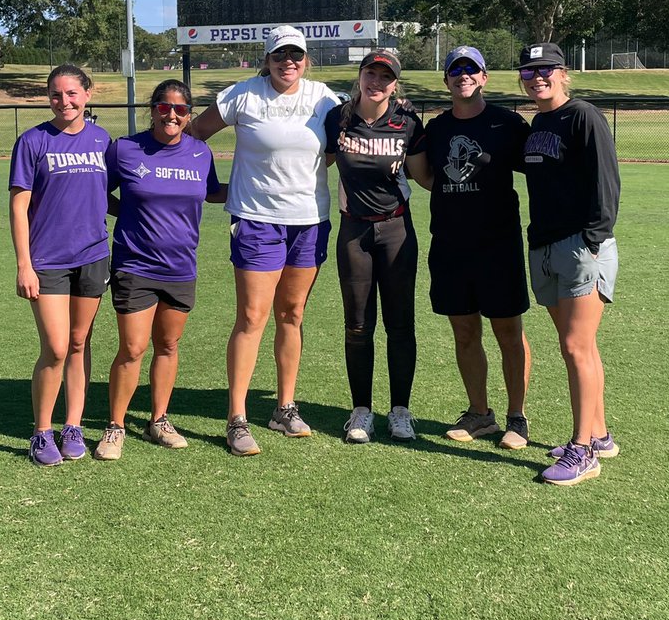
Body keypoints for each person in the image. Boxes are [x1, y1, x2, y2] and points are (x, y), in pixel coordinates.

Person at [190, 26, 340, 456]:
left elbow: (338, 147)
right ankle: (237, 417)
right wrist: (207, 187)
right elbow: (195, 135)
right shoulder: (243, 94)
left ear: (306, 59)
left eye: (296, 55)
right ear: (268, 57)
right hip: (257, 220)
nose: (287, 62)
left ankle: (284, 408)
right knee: (253, 316)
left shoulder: (324, 98)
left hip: (310, 220)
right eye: (280, 55)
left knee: (291, 314)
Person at [407, 45, 533, 449]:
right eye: (455, 69)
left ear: (483, 77)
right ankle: (480, 414)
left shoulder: (507, 124)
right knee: (464, 331)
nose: (463, 74)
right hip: (451, 243)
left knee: (508, 331)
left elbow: (542, 168)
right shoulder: (437, 128)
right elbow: (426, 177)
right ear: (446, 80)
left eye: (471, 69)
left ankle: (517, 418)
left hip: (498, 244)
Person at [94, 80, 224, 461]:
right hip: (135, 263)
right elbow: (99, 192)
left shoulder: (200, 153)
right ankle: (115, 426)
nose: (172, 115)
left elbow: (211, 191)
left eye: (181, 109)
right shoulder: (126, 149)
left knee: (168, 345)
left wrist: (261, 191)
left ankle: (159, 420)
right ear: (152, 109)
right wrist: (128, 214)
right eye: (164, 107)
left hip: (181, 266)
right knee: (132, 348)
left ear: (189, 114)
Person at [518, 42, 621, 487]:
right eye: (529, 71)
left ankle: (582, 452)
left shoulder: (583, 115)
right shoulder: (540, 122)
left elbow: (606, 180)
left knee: (577, 346)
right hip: (545, 244)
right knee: (576, 344)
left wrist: (593, 239)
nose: (537, 77)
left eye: (546, 70)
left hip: (580, 247)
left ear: (564, 73)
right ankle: (598, 435)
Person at [9, 64, 110, 466]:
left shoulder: (103, 140)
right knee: (54, 347)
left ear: (88, 94)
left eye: (71, 93)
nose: (64, 101)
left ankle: (73, 424)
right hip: (47, 259)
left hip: (93, 255)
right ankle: (41, 431)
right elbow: (19, 206)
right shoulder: (33, 141)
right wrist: (24, 264)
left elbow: (114, 194)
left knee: (79, 343)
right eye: (56, 94)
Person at [324, 50, 424, 443]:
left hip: (396, 229)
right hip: (354, 233)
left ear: (395, 83)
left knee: (400, 323)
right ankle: (361, 411)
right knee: (358, 325)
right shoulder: (338, 117)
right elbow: (318, 159)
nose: (377, 82)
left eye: (386, 76)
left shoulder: (408, 123)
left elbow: (425, 177)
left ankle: (400, 411)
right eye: (371, 73)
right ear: (360, 76)